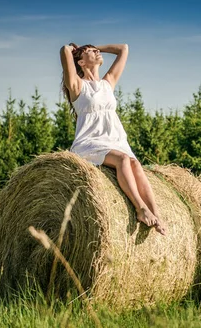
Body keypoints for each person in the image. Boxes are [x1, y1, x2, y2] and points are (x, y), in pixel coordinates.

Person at [60, 42, 166, 235]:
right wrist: (76, 49)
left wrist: (94, 46)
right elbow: (64, 50)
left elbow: (123, 49)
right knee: (123, 160)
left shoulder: (108, 83)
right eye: (91, 52)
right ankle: (140, 208)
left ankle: (156, 213)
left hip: (115, 139)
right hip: (89, 142)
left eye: (96, 50)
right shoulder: (77, 86)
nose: (97, 52)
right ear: (81, 62)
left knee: (135, 164)